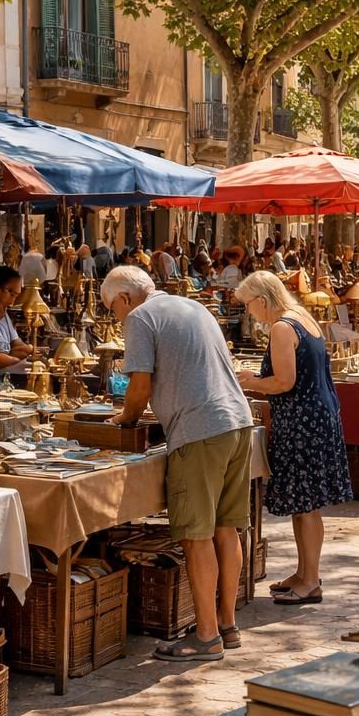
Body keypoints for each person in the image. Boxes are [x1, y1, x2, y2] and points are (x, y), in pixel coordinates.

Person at [105, 265, 253, 661]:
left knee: (195, 534)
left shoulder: (139, 317)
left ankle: (205, 636)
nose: (117, 319)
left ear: (124, 298)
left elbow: (139, 386)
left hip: (200, 430)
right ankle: (226, 624)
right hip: (237, 422)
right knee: (227, 527)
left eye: (113, 311)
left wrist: (126, 419)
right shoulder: (192, 305)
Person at [233, 272, 350, 605]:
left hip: (302, 422)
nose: (249, 313)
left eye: (249, 305)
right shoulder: (302, 316)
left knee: (307, 504)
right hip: (316, 416)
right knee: (304, 504)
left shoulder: (282, 327)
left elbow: (283, 382)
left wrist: (248, 381)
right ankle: (304, 572)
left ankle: (311, 580)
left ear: (263, 299)